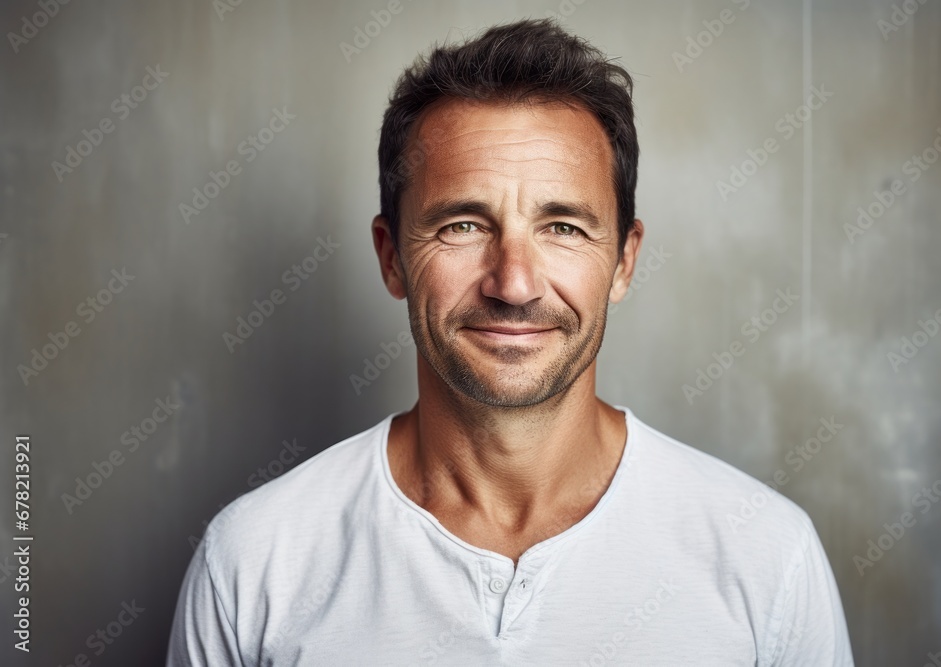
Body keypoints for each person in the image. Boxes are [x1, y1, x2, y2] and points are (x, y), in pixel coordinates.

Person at [167, 17, 853, 666]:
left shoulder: (766, 556)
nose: (514, 283)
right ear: (391, 256)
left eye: (564, 227)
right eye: (463, 224)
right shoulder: (254, 562)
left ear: (624, 261)